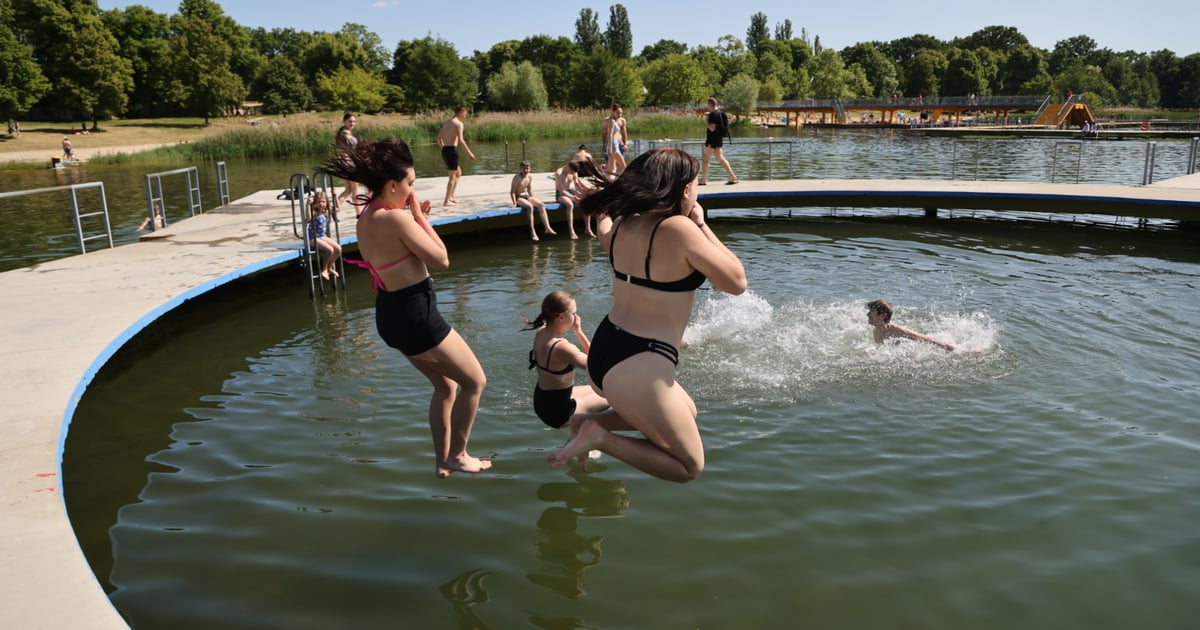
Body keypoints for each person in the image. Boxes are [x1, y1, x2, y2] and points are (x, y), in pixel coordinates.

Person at [547, 148, 748, 482]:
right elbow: (737, 282)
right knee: (688, 467)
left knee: (688, 411)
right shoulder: (679, 229)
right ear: (685, 190)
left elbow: (603, 231)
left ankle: (585, 424)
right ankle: (600, 436)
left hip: (607, 349)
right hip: (641, 362)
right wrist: (701, 225)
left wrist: (606, 202)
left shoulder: (626, 222)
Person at [320, 138, 491, 478]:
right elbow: (442, 260)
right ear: (393, 184)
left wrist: (412, 219)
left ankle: (441, 460)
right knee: (475, 382)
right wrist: (418, 218)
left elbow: (402, 254)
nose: (412, 190)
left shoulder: (366, 218)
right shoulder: (397, 220)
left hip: (390, 316)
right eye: (410, 184)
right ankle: (458, 455)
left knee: (446, 387)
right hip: (418, 316)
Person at [523, 291, 610, 430]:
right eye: (574, 313)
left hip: (542, 402)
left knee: (602, 390)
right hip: (559, 413)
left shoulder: (541, 331)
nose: (576, 317)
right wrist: (579, 332)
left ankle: (583, 438)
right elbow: (595, 364)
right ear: (562, 317)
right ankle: (587, 438)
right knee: (614, 398)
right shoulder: (562, 348)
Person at [866, 299, 957, 351]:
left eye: (871, 312)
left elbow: (926, 339)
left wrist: (954, 349)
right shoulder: (877, 330)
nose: (868, 314)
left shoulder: (896, 330)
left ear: (883, 315)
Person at [437, 105, 476, 206]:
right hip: (452, 150)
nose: (465, 116)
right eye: (465, 114)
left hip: (446, 150)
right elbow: (461, 141)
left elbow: (438, 138)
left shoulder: (448, 123)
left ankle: (451, 196)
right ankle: (446, 201)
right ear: (460, 112)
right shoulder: (458, 124)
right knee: (452, 177)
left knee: (458, 173)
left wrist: (443, 148)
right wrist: (470, 153)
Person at [512, 160, 555, 241]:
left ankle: (547, 227)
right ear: (520, 168)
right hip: (519, 198)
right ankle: (532, 231)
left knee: (541, 205)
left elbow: (530, 190)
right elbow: (512, 192)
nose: (525, 170)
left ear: (530, 168)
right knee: (530, 207)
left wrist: (534, 199)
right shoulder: (517, 177)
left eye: (527, 168)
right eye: (524, 168)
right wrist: (514, 203)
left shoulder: (529, 177)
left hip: (527, 196)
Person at [700, 98, 737, 186]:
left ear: (710, 105)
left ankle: (703, 180)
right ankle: (732, 176)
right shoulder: (720, 113)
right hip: (719, 139)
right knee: (720, 158)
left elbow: (712, 128)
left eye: (707, 105)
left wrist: (706, 121)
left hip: (711, 140)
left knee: (705, 159)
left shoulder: (712, 115)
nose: (707, 106)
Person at [307, 191, 342, 280]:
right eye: (319, 202)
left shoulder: (326, 211)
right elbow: (308, 218)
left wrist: (335, 195)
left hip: (322, 236)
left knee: (338, 249)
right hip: (313, 237)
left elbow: (338, 208)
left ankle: (329, 268)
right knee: (330, 250)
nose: (321, 204)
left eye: (323, 201)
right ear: (315, 203)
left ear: (326, 202)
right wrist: (308, 204)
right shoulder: (314, 212)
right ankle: (324, 270)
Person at [334, 113, 360, 207]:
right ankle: (359, 214)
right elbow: (349, 143)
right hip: (349, 163)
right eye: (350, 121)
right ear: (344, 121)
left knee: (348, 190)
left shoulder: (343, 132)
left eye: (354, 121)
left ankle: (334, 209)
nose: (352, 123)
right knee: (355, 191)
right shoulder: (345, 133)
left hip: (343, 163)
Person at [602, 103, 627, 176]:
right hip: (613, 146)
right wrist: (609, 148)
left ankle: (608, 181)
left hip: (615, 144)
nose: (620, 115)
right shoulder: (611, 121)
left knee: (611, 167)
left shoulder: (620, 120)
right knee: (623, 166)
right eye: (618, 113)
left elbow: (617, 134)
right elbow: (610, 135)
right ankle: (616, 181)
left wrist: (623, 143)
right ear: (613, 111)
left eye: (621, 113)